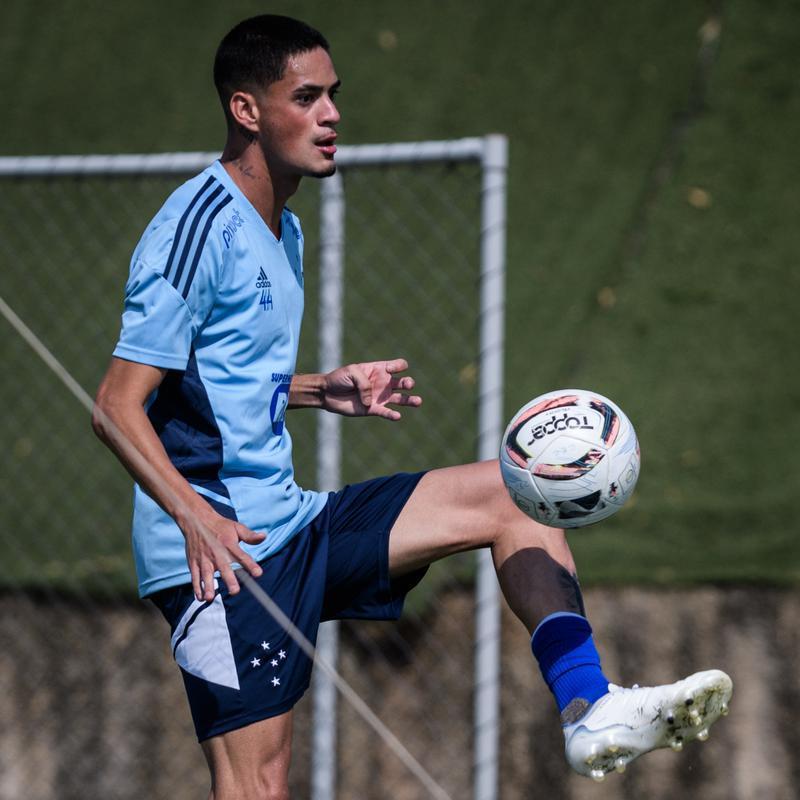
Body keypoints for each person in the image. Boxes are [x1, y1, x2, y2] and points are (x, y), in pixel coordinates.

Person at [93, 14, 732, 798]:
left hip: (290, 519)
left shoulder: (281, 228)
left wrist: (315, 389)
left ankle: (588, 708)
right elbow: (118, 404)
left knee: (515, 493)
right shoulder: (197, 226)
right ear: (246, 109)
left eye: (334, 96)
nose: (331, 115)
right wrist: (196, 516)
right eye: (307, 97)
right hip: (224, 550)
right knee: (258, 784)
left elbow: (211, 380)